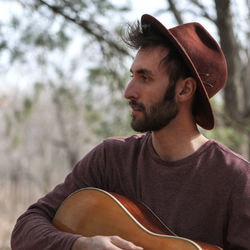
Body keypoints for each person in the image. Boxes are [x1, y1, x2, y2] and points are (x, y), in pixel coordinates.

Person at [11, 14, 250, 250]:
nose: (129, 91)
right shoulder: (109, 159)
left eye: (145, 78)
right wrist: (80, 245)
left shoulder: (236, 180)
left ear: (185, 89)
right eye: (132, 75)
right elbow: (25, 228)